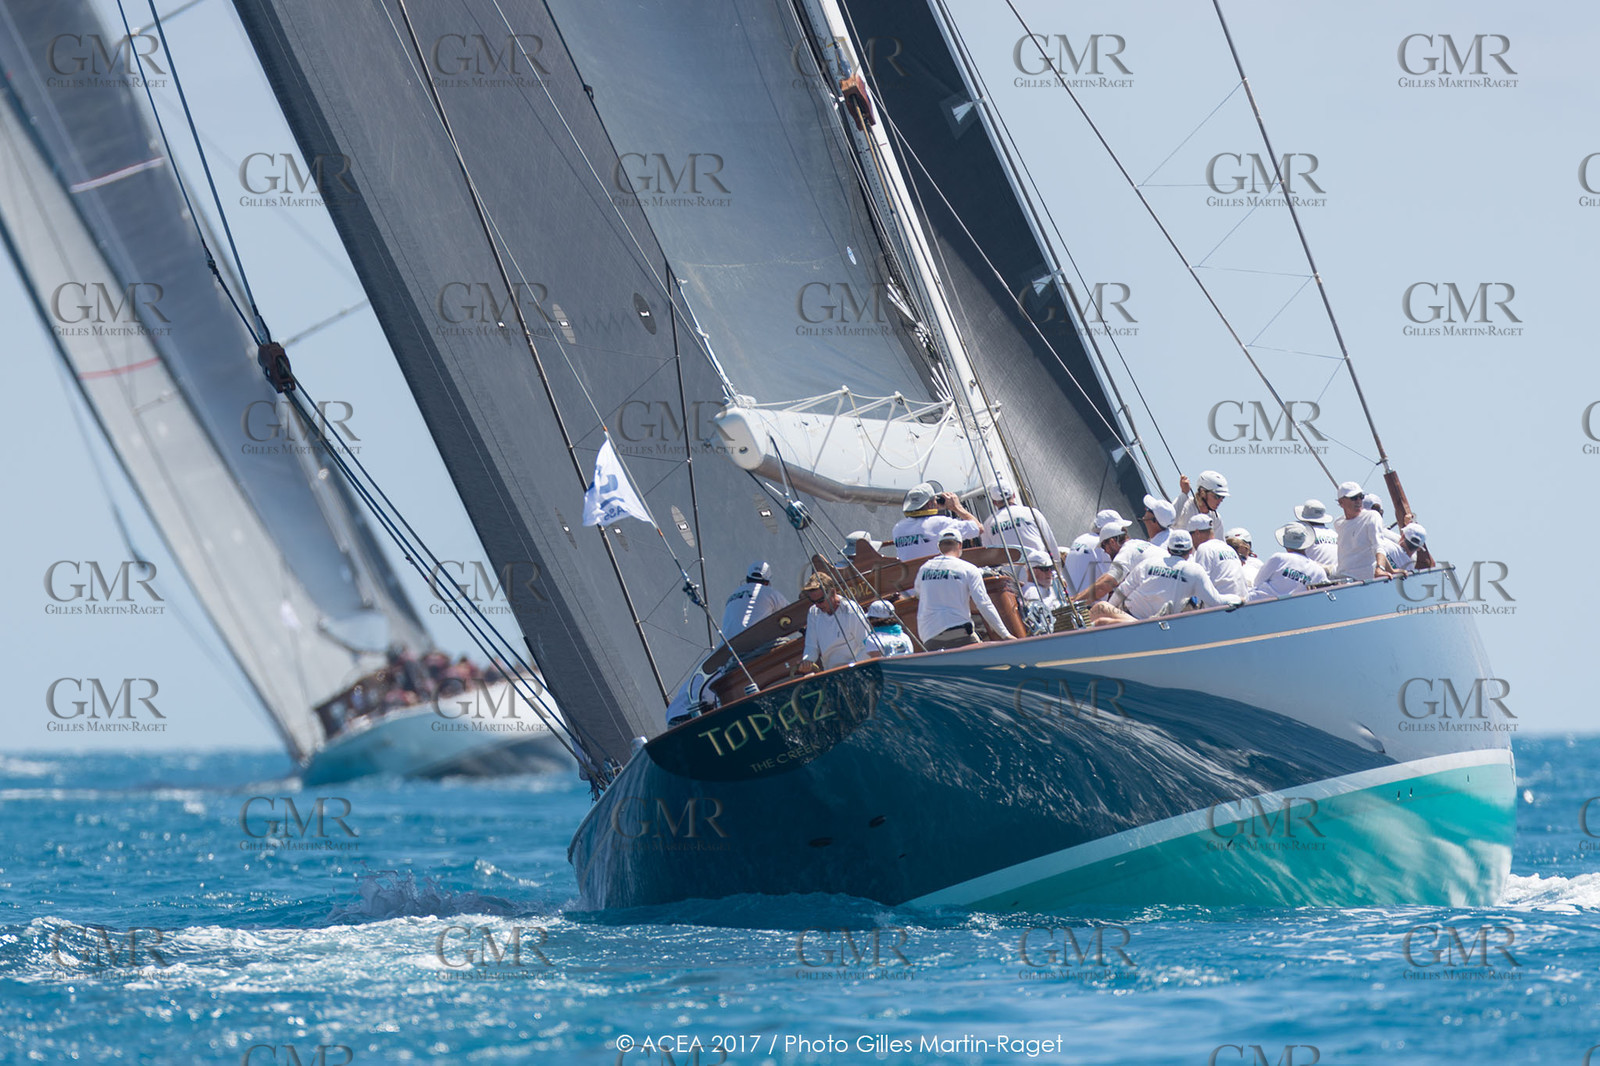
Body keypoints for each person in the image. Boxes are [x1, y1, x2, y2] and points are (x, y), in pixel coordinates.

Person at [1088, 529, 1242, 624]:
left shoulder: (1148, 563)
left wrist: (1112, 608)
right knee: (1103, 621)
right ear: (1190, 551)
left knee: (1099, 611)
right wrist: (1239, 599)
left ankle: (1133, 625)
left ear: (1168, 549)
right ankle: (1135, 625)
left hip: (1135, 618)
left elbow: (1122, 591)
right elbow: (1217, 602)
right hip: (1149, 623)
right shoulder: (1195, 571)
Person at [911, 529, 1016, 650]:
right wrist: (1005, 635)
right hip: (961, 635)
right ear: (960, 545)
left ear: (939, 546)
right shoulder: (969, 569)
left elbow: (918, 594)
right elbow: (984, 604)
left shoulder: (924, 569)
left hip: (929, 637)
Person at [796, 573, 873, 673]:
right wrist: (807, 660)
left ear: (833, 592)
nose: (817, 605)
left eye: (821, 600)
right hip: (831, 673)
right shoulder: (813, 612)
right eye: (813, 601)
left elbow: (867, 646)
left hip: (857, 670)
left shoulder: (850, 610)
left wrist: (850, 668)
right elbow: (811, 646)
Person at [982, 476, 1063, 568]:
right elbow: (1051, 544)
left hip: (1010, 572)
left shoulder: (987, 524)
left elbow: (990, 557)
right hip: (1039, 567)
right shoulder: (1033, 513)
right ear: (1014, 495)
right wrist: (1058, 569)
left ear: (994, 502)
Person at [891, 482, 982, 562]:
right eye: (935, 500)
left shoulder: (898, 528)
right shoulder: (939, 523)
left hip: (911, 575)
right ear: (930, 504)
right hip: (935, 572)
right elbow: (979, 528)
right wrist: (957, 507)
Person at [1248, 523, 1329, 601]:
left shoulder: (1278, 558)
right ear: (1306, 541)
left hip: (1259, 604)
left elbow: (1257, 582)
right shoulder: (1318, 571)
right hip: (1296, 607)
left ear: (1285, 541)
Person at [1333, 481, 1391, 582]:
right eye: (1354, 498)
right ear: (1341, 502)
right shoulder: (1338, 523)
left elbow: (1379, 545)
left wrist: (1381, 568)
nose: (1358, 501)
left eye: (1361, 496)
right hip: (1342, 579)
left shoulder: (1372, 516)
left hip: (1363, 582)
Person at [718, 560, 784, 639]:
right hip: (752, 642)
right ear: (767, 582)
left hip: (726, 644)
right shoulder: (770, 593)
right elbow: (792, 612)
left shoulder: (732, 595)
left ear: (747, 579)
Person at [1188, 514, 1249, 598]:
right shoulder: (1228, 548)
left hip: (1222, 603)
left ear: (1197, 533)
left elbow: (1200, 583)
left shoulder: (1204, 548)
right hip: (1242, 601)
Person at [1173, 470, 1229, 539]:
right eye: (1217, 496)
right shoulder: (1185, 505)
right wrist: (1184, 493)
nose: (1220, 500)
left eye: (1223, 497)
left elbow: (1219, 543)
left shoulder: (1216, 519)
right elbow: (1169, 520)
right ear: (1202, 492)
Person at [1019, 548, 1063, 636]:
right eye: (1045, 569)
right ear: (1032, 571)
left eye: (1051, 568)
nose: (1050, 572)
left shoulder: (1045, 588)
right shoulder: (1032, 591)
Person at [1294, 498, 1339, 571]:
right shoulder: (1335, 534)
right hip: (1338, 574)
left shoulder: (1304, 534)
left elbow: (1295, 561)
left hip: (1316, 575)